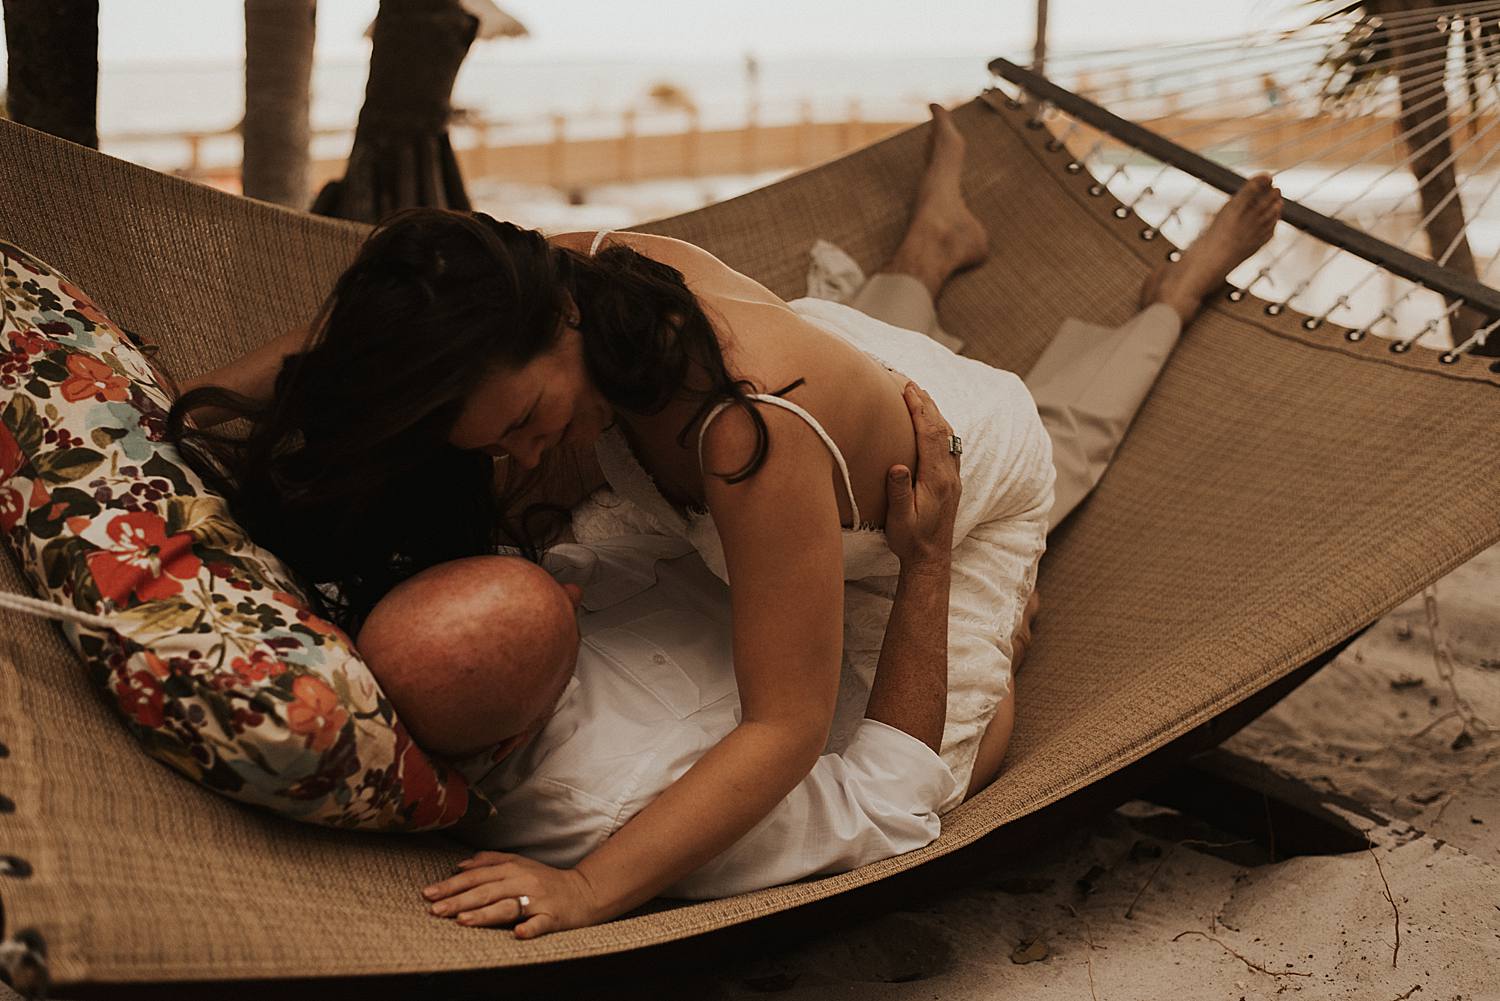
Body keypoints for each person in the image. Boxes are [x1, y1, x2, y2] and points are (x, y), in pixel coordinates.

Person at [169, 102, 1282, 939]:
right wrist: (169, 415)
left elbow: (786, 728)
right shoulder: (560, 286)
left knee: (967, 727)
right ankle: (930, 249)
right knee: (836, 424)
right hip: (822, 374)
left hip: (951, 461)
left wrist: (588, 888)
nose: (524, 458)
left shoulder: (744, 437)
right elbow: (352, 351)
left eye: (526, 423)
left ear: (559, 326)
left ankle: (1172, 295)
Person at [355, 382, 968, 933]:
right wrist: (929, 562)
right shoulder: (614, 807)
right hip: (892, 668)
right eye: (567, 620)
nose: (573, 586)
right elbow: (888, 800)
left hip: (748, 553)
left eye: (545, 573)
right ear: (516, 737)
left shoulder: (451, 623)